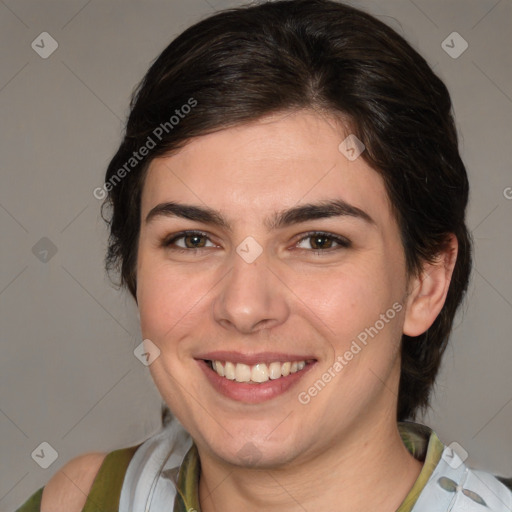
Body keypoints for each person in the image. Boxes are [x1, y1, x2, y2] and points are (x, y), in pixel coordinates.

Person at [15, 0, 511, 511]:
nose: (245, 307)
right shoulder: (78, 502)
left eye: (319, 241)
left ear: (425, 281)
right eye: (193, 239)